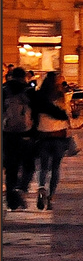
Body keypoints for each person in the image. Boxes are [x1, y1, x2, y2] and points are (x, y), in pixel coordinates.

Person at [30, 73, 72, 210]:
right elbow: (67, 115)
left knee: (43, 166)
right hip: (59, 134)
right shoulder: (62, 96)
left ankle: (41, 187)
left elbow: (33, 114)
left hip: (42, 134)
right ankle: (51, 196)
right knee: (55, 167)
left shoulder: (38, 95)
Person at [3, 66, 36, 211]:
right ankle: (21, 188)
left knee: (10, 168)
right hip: (26, 134)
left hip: (7, 134)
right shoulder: (29, 90)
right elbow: (36, 111)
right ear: (24, 77)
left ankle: (11, 199)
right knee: (29, 166)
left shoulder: (4, 90)